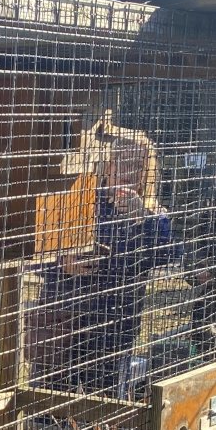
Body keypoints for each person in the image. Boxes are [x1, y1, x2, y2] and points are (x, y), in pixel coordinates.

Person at [36, 135, 177, 397]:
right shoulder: (79, 197)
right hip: (63, 320)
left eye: (137, 164)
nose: (128, 170)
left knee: (104, 405)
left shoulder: (153, 212)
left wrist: (143, 218)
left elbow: (170, 256)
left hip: (113, 327)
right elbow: (36, 254)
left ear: (147, 172)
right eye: (121, 161)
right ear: (108, 164)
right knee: (45, 401)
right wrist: (62, 262)